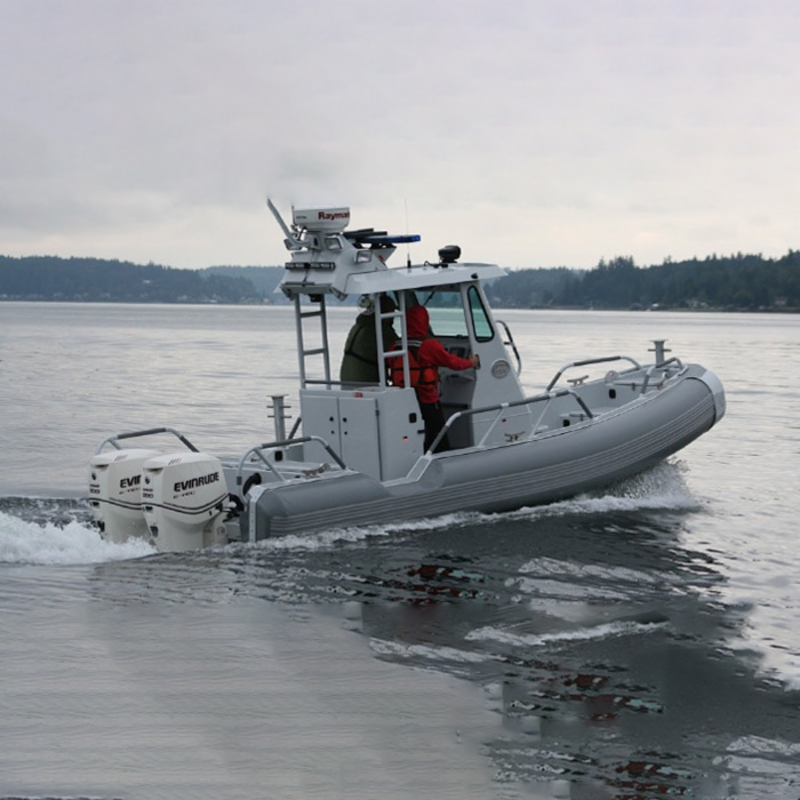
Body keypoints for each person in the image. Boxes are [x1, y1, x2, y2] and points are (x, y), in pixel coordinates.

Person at [389, 304, 479, 452]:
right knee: (438, 432)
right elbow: (454, 363)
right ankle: (441, 455)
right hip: (427, 398)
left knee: (413, 432)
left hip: (403, 398)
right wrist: (472, 362)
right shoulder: (429, 346)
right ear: (425, 322)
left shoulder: (395, 346)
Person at [339, 295, 400, 386]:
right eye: (392, 312)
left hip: (347, 379)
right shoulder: (379, 329)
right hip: (365, 381)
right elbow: (399, 349)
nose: (393, 317)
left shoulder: (361, 325)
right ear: (385, 312)